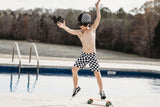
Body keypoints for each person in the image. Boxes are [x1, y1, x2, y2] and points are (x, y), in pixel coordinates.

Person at [57, 0, 106, 99]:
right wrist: (64, 27)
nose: (81, 27)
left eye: (82, 25)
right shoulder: (80, 32)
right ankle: (76, 88)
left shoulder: (92, 29)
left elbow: (98, 18)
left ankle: (102, 91)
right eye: (80, 25)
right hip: (84, 55)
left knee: (97, 73)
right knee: (74, 69)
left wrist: (97, 6)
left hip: (92, 55)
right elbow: (71, 31)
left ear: (87, 24)